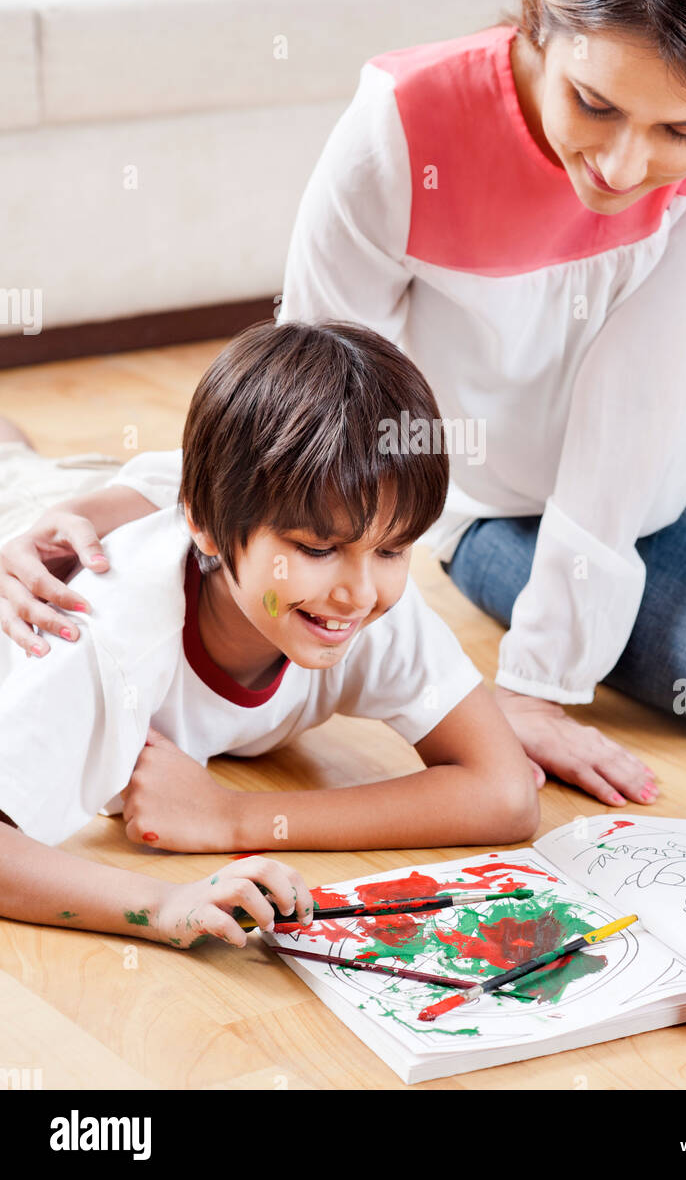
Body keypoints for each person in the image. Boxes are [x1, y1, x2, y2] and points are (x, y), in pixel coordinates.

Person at [2, 0, 686, 803]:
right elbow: (306, 409)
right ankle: (504, 550)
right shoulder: (400, 132)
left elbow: (659, 349)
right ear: (538, 21)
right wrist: (537, 678)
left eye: (681, 133)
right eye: (594, 104)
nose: (621, 166)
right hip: (514, 490)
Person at [0, 321, 538, 948]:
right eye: (316, 548)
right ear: (204, 524)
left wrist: (232, 816)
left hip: (155, 495)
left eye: (394, 549)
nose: (360, 594)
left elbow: (505, 794)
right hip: (36, 516)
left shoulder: (359, 582)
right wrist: (165, 904)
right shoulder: (105, 633)